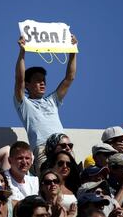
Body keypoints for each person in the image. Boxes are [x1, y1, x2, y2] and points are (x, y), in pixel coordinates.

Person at [14, 35, 78, 173]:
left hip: (64, 144)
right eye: (38, 80)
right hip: (42, 147)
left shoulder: (52, 100)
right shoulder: (24, 104)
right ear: (28, 85)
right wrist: (22, 52)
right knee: (47, 180)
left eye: (44, 80)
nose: (42, 83)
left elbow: (69, 78)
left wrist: (73, 50)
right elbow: (19, 80)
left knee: (72, 178)